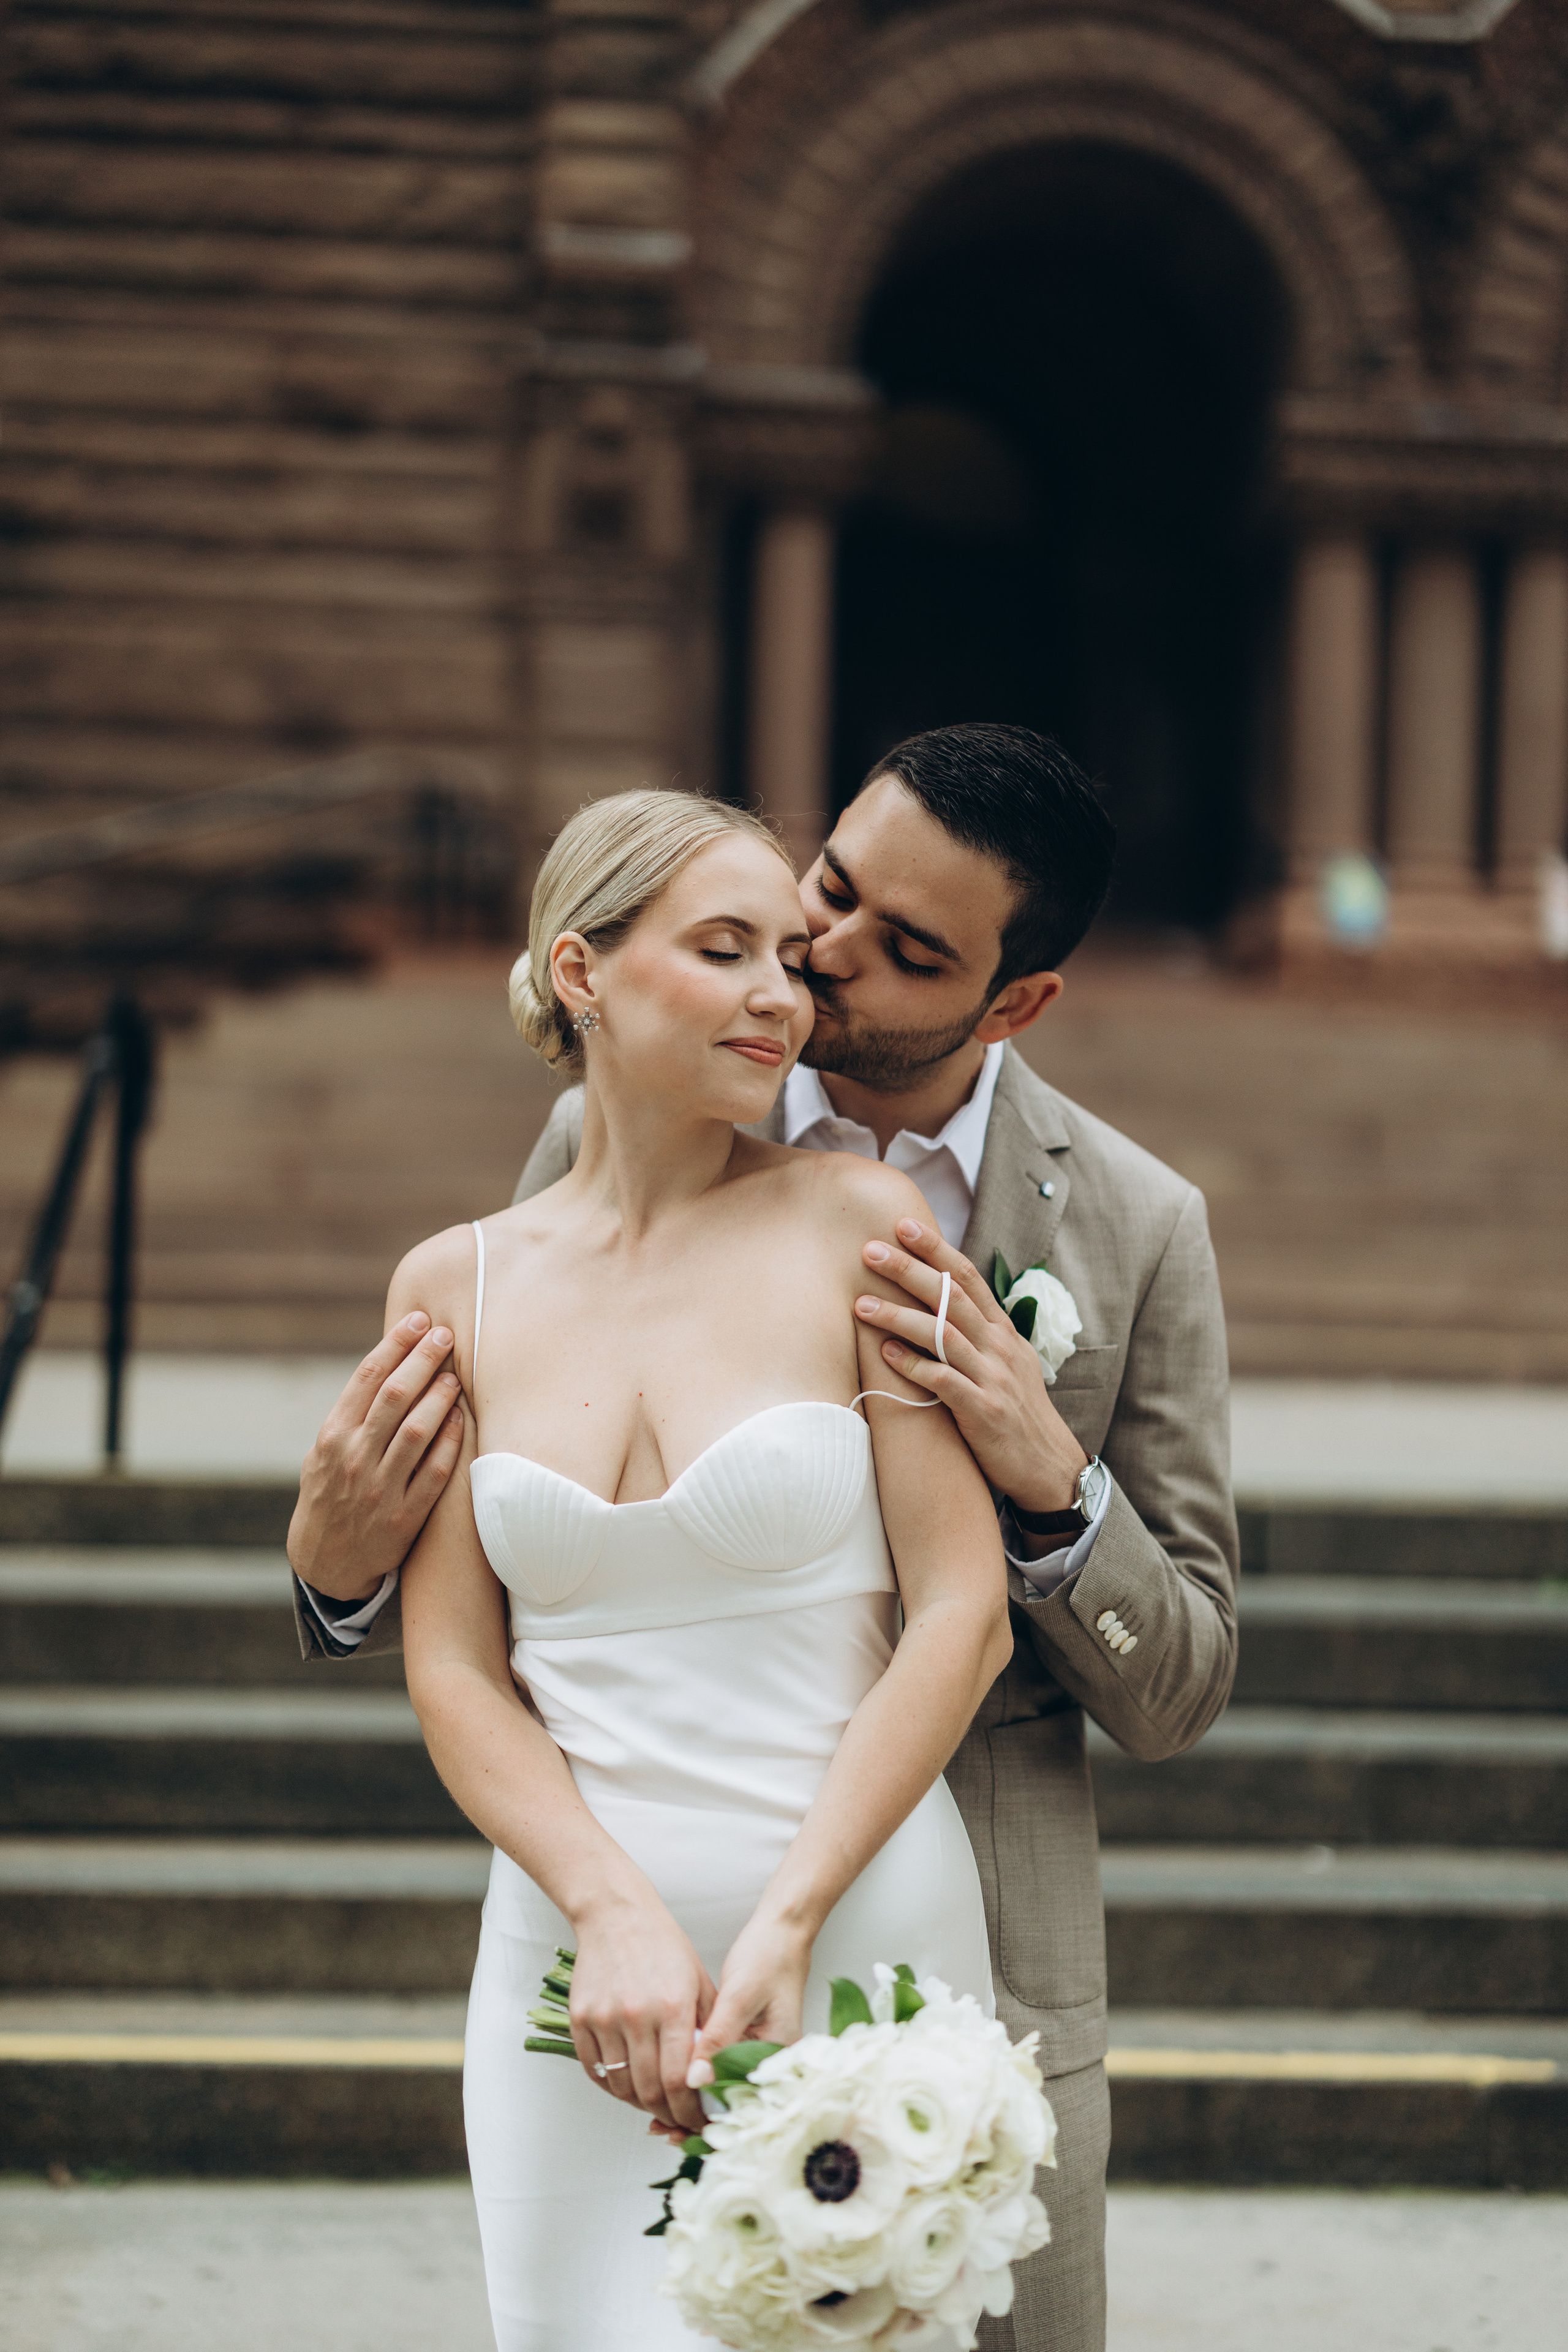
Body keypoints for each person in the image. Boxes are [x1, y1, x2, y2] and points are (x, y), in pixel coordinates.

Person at [289, 723, 1241, 2352]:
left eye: (909, 948)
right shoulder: (532, 1205)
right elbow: (473, 1588)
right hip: (595, 1924)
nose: (819, 965)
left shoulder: (1131, 1228)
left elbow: (1178, 1683)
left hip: (936, 1912)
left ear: (1015, 1002)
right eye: (826, 900)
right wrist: (329, 1569)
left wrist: (1045, 1478)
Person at [372, 785, 1012, 2350]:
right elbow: (453, 1663)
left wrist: (787, 1921)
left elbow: (963, 1612)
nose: (778, 997)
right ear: (580, 972)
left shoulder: (862, 1228)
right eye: (724, 950)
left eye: (787, 959)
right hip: (574, 1971)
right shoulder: (455, 1282)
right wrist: (607, 1908)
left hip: (853, 1932)